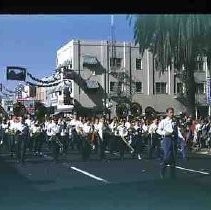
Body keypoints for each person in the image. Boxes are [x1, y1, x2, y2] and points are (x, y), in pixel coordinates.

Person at [157, 107, 183, 179]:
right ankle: (162, 171)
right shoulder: (163, 121)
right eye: (170, 112)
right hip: (167, 139)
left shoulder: (174, 121)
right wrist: (165, 133)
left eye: (173, 112)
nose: (172, 114)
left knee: (174, 157)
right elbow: (158, 130)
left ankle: (172, 175)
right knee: (167, 156)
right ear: (167, 113)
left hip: (173, 139)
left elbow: (177, 131)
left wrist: (180, 139)